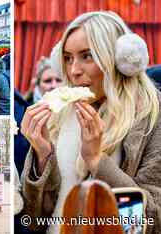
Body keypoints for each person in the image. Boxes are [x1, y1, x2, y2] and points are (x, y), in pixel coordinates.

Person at [20, 11, 161, 234]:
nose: (74, 71)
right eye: (67, 58)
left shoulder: (151, 116)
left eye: (87, 56)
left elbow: (151, 222)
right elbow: (34, 220)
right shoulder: (61, 116)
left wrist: (96, 160)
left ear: (119, 59)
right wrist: (43, 155)